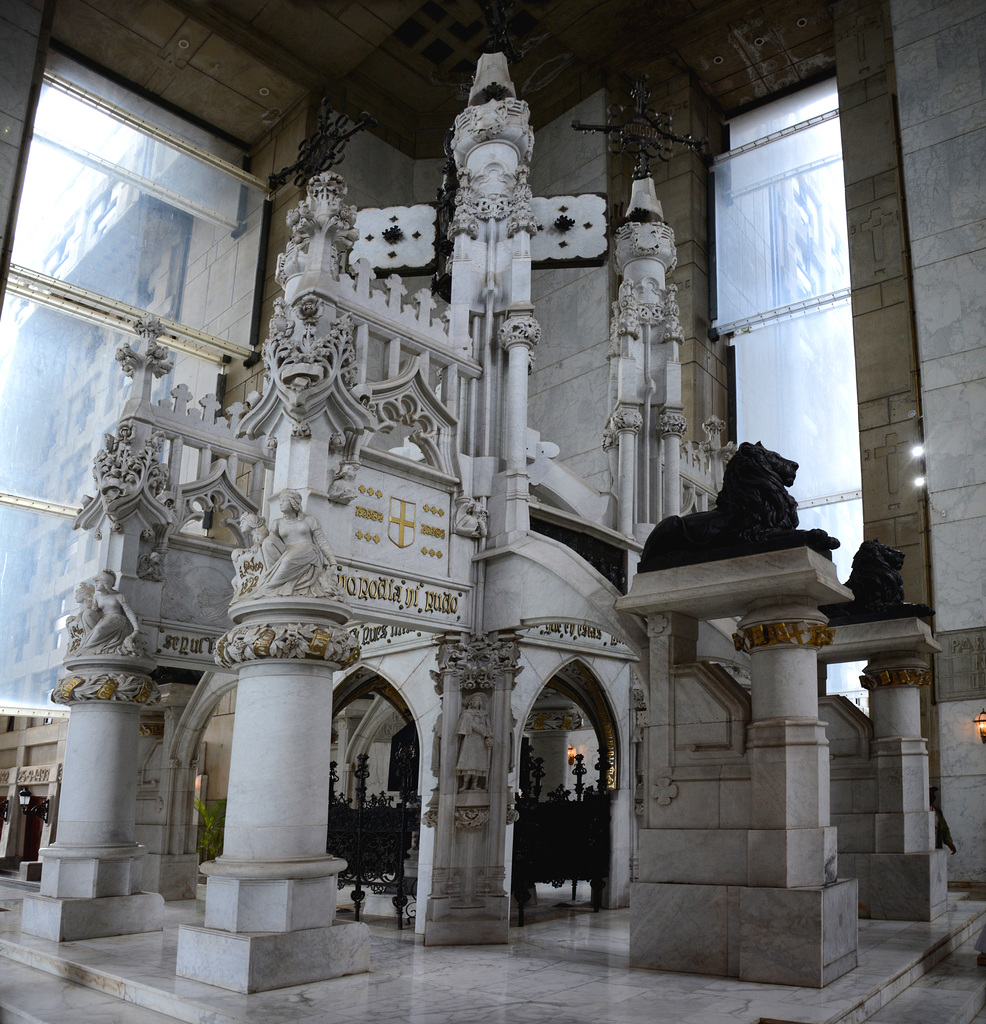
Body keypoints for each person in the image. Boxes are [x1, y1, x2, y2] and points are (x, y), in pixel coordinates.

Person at [257, 490, 340, 598]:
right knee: (268, 542)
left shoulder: (309, 520)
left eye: (284, 500)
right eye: (280, 501)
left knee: (287, 560)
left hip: (307, 549)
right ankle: (272, 577)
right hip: (287, 550)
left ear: (293, 502)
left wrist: (332, 561)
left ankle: (269, 586)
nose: (280, 503)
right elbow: (270, 542)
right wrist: (258, 542)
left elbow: (322, 541)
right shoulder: (277, 523)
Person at [79, 570, 141, 653]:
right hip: (104, 618)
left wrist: (136, 628)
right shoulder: (97, 598)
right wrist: (84, 611)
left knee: (99, 628)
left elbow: (129, 612)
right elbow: (93, 612)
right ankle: (89, 642)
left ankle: (86, 648)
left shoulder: (118, 596)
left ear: (106, 584)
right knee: (87, 614)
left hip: (117, 618)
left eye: (98, 582)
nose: (96, 584)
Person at [455, 694, 494, 791]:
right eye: (473, 700)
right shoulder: (466, 713)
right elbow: (472, 725)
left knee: (478, 764)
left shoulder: (484, 714)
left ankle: (474, 784)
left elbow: (488, 725)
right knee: (469, 763)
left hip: (480, 741)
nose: (475, 702)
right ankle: (465, 784)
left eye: (477, 701)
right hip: (470, 739)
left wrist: (490, 733)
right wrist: (484, 732)